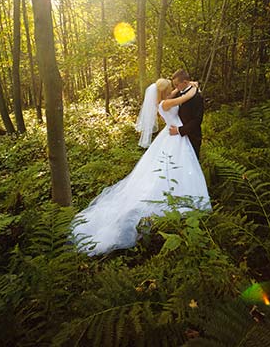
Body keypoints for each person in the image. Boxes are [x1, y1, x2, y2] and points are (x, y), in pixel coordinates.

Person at [71, 78, 211, 256]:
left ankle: (179, 195)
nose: (173, 89)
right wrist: (194, 87)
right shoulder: (167, 103)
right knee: (171, 169)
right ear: (165, 91)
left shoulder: (162, 100)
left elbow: (177, 93)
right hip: (174, 137)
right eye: (170, 88)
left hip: (173, 136)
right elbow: (185, 96)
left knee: (172, 169)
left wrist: (185, 84)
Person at [169, 69, 203, 159]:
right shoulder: (178, 93)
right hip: (176, 137)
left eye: (176, 85)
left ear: (185, 82)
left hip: (192, 137)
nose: (175, 87)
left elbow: (197, 120)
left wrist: (179, 130)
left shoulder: (197, 97)